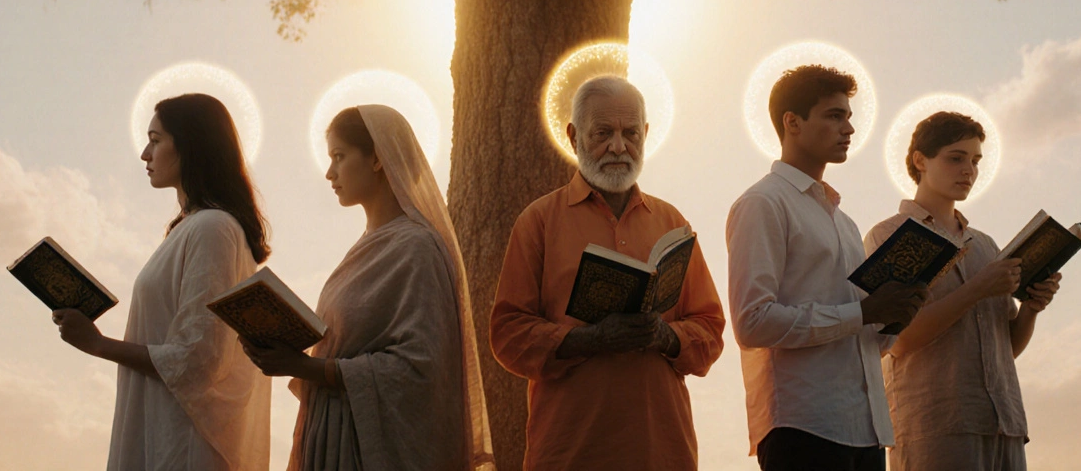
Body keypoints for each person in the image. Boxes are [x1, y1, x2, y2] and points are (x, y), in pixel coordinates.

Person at [490, 75, 726, 471]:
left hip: (662, 450)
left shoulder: (672, 223)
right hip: (568, 452)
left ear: (646, 134)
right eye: (603, 133)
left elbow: (710, 328)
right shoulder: (539, 222)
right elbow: (507, 334)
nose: (618, 147)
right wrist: (589, 339)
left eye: (630, 132)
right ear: (573, 136)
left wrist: (666, 336)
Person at [243, 105, 494, 471]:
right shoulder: (363, 249)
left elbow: (421, 368)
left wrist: (307, 367)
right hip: (330, 436)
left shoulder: (417, 248)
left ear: (377, 158)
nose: (330, 173)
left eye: (339, 157)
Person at [53, 93, 272, 471]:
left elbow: (199, 359)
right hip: (161, 434)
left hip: (184, 446)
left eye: (155, 140)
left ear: (191, 145)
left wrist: (97, 344)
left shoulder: (213, 228)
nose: (144, 153)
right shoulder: (190, 229)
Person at [727, 65, 930, 471]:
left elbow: (864, 334)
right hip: (803, 427)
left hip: (867, 429)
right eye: (834, 115)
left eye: (849, 117)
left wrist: (893, 318)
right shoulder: (763, 203)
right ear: (792, 122)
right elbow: (752, 322)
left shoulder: (845, 223)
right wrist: (864, 313)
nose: (849, 128)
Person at [864, 111, 1060, 471]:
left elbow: (1006, 347)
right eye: (956, 158)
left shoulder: (985, 245)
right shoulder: (890, 236)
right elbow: (898, 341)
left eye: (975, 160)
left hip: (1005, 424)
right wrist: (977, 289)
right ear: (920, 160)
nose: (969, 170)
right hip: (935, 426)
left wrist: (1032, 307)